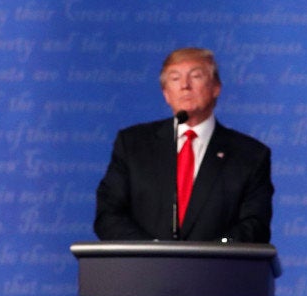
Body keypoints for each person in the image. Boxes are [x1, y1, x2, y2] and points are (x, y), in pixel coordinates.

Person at [94, 47, 274, 243]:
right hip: (144, 269)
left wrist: (210, 254)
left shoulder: (249, 155)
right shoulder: (133, 144)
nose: (185, 86)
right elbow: (108, 215)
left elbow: (255, 225)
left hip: (217, 270)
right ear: (166, 94)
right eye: (175, 78)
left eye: (195, 76)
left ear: (216, 88)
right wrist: (151, 251)